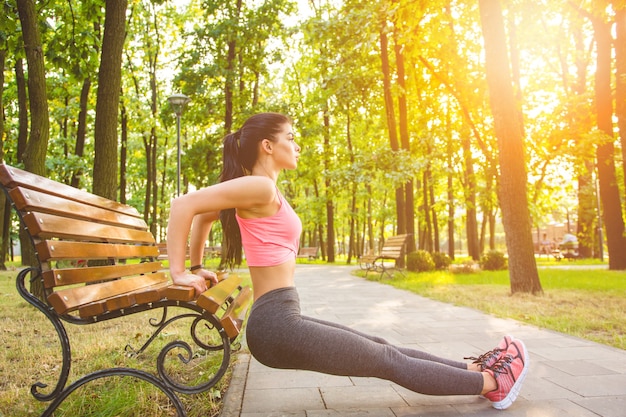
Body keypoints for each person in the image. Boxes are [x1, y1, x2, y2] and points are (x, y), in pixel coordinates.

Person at [166, 112, 529, 410]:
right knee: (388, 362)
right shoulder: (258, 186)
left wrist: (198, 267)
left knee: (383, 346)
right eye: (290, 137)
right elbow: (186, 207)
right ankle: (492, 383)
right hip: (276, 325)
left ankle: (474, 367)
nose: (297, 144)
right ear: (267, 145)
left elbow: (205, 216)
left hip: (280, 318)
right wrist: (182, 271)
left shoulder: (262, 189)